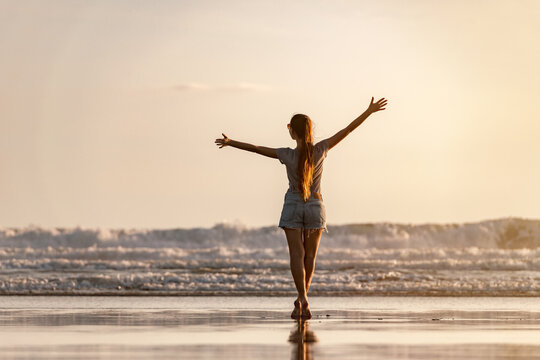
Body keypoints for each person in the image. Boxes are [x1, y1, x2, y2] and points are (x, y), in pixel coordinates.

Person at [215, 97, 388, 319]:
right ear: (309, 131)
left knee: (296, 256)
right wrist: (369, 111)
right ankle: (302, 298)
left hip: (293, 204)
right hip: (316, 205)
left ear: (293, 132)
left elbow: (257, 149)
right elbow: (347, 130)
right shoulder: (322, 148)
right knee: (310, 257)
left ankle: (303, 298)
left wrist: (231, 142)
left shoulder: (287, 154)